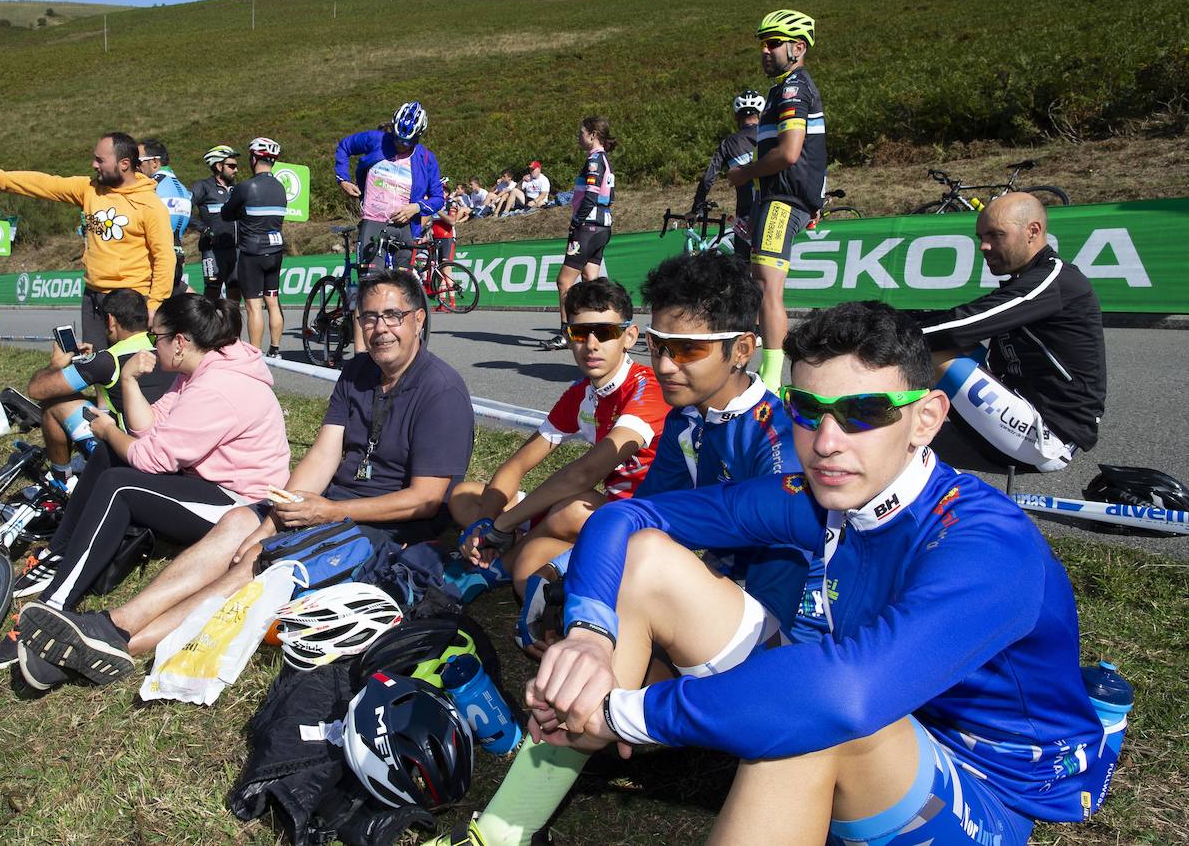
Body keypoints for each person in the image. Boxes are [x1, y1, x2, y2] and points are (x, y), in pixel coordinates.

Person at [436, 301, 1116, 846]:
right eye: (807, 410)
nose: (827, 442)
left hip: (993, 784)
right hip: (881, 706)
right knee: (646, 564)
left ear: (927, 419)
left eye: (865, 413)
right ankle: (506, 827)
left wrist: (624, 713)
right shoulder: (826, 493)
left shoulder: (986, 546)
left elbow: (845, 698)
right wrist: (590, 632)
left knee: (811, 718)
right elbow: (625, 521)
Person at [6, 269, 474, 685]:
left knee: (257, 563)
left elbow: (425, 500)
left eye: (393, 316)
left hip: (388, 527)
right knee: (238, 529)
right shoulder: (357, 371)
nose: (380, 328)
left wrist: (329, 511)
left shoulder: (441, 390)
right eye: (369, 317)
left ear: (419, 319)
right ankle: (112, 625)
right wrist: (276, 515)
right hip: (329, 503)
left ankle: (121, 640)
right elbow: (324, 453)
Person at [0, 292, 291, 679]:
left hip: (241, 502)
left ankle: (52, 607)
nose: (149, 344)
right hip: (205, 482)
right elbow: (148, 429)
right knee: (111, 457)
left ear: (180, 341)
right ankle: (61, 554)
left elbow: (148, 458)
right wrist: (128, 379)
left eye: (155, 336)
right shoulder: (197, 371)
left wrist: (108, 429)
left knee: (120, 484)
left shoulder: (219, 388)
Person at [634, 250, 818, 640]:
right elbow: (645, 514)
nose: (665, 365)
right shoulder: (685, 416)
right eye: (657, 344)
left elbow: (773, 608)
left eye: (687, 349)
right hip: (726, 585)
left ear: (742, 350)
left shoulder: (778, 441)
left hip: (787, 625)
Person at [451, 278, 668, 598]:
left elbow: (585, 473)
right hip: (600, 517)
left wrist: (503, 524)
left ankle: (499, 563)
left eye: (605, 333)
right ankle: (503, 549)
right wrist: (485, 524)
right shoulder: (582, 394)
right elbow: (517, 465)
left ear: (629, 336)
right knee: (465, 494)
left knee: (574, 508)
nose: (591, 345)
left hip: (646, 528)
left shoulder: (647, 389)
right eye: (580, 333)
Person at [919, 192, 1105, 472]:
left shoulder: (1055, 280)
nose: (984, 246)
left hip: (1049, 438)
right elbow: (957, 320)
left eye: (995, 235)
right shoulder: (1029, 278)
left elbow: (960, 327)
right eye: (981, 236)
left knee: (927, 352)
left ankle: (873, 423)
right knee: (933, 341)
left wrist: (871, 331)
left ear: (1033, 231)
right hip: (1024, 408)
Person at [0, 132, 176, 347]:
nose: (94, 165)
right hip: (92, 296)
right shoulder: (90, 189)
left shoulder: (150, 204)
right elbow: (45, 184)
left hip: (130, 299)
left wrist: (154, 304)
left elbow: (164, 257)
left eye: (100, 160)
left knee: (131, 367)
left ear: (124, 164)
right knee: (95, 368)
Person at [723, 10, 827, 394]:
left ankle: (770, 378)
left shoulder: (793, 87)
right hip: (781, 197)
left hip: (781, 198)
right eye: (762, 43)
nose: (765, 51)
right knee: (757, 283)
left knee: (767, 287)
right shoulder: (783, 87)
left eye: (773, 43)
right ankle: (752, 366)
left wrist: (745, 172)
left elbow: (790, 152)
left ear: (798, 47)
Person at [24, 288, 176, 486]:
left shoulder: (107, 360)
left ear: (111, 320)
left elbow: (37, 390)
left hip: (131, 452)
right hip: (171, 447)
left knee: (54, 402)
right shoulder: (167, 345)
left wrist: (56, 364)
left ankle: (61, 479)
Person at [334, 101, 445, 270]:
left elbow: (438, 199)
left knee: (404, 286)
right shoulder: (376, 139)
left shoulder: (426, 158)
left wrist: (416, 207)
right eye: (397, 139)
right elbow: (345, 146)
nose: (400, 145)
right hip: (373, 221)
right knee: (372, 282)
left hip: (405, 227)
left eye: (406, 142)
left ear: (418, 137)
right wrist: (343, 179)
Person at [544, 117, 617, 351]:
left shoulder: (595, 159)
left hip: (588, 226)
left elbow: (592, 196)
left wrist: (576, 220)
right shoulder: (605, 158)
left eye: (581, 132)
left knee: (564, 282)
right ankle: (600, 328)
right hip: (602, 226)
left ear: (593, 134)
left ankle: (566, 333)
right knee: (591, 282)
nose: (579, 136)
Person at [221, 137, 287, 361]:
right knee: (273, 301)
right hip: (276, 250)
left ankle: (255, 354)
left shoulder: (246, 186)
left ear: (253, 158)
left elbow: (226, 214)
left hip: (252, 252)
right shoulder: (280, 187)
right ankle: (276, 349)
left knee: (253, 306)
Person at [689, 89, 763, 236]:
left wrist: (695, 210)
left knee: (743, 257)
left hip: (746, 214)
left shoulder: (728, 144)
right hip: (774, 208)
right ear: (761, 113)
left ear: (736, 116)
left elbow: (707, 180)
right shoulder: (771, 135)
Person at [138, 139, 192, 297]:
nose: (134, 166)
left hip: (155, 262)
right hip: (176, 257)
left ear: (154, 162)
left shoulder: (151, 186)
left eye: (138, 161)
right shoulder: (181, 187)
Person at [191, 145, 241, 300]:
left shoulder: (237, 189)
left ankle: (232, 323)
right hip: (213, 249)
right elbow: (183, 209)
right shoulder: (203, 186)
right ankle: (210, 324)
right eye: (231, 166)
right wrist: (203, 229)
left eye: (236, 166)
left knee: (235, 288)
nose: (236, 170)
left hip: (236, 249)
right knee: (213, 290)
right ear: (219, 166)